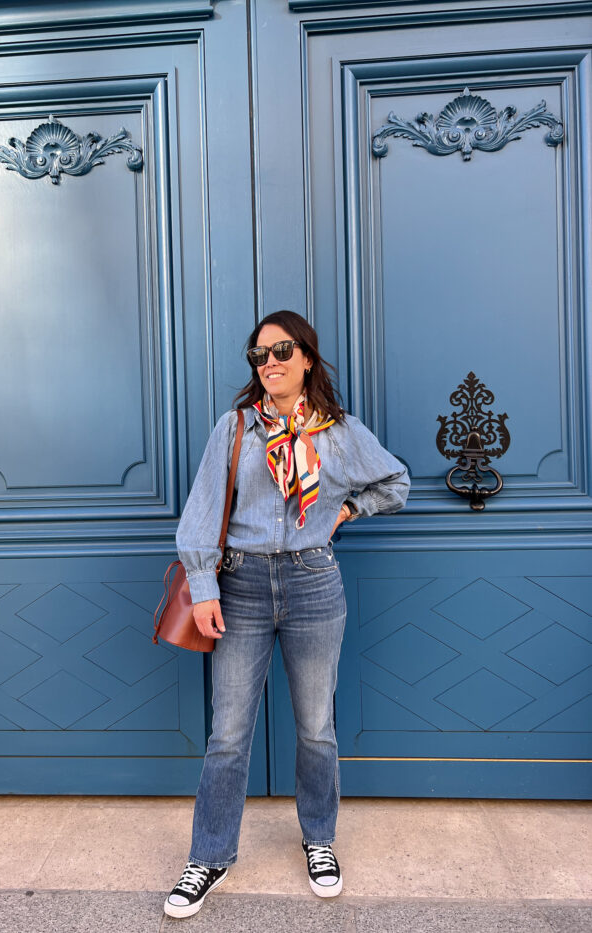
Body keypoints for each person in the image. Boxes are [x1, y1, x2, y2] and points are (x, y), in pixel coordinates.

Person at [164, 310, 410, 918]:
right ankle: (209, 855)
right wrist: (204, 588)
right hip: (241, 585)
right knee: (228, 732)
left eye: (280, 351)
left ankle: (319, 839)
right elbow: (201, 511)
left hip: (313, 582)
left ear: (306, 358)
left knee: (316, 726)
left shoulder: (338, 432)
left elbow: (395, 484)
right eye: (259, 355)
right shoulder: (236, 427)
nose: (268, 363)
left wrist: (346, 511)